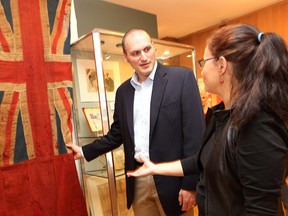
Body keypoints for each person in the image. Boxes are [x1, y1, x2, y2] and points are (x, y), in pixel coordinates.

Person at [127, 24, 288, 216]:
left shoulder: (257, 126)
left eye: (203, 62)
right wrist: (155, 168)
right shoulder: (222, 115)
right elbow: (201, 160)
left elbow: (261, 210)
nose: (201, 72)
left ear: (221, 65)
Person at [67, 28, 205, 216]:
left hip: (173, 181)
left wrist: (190, 184)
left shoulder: (181, 78)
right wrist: (84, 151)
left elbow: (195, 136)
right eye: (135, 53)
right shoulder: (123, 92)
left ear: (154, 47)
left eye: (147, 49)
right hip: (138, 180)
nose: (144, 57)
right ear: (126, 58)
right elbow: (117, 134)